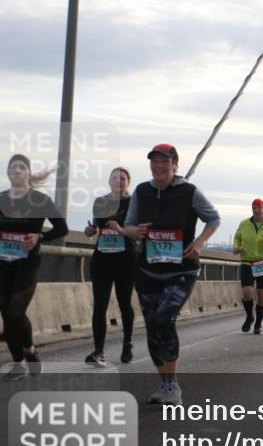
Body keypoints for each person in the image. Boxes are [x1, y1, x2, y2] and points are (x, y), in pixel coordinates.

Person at [124, 144, 220, 406]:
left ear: (175, 165)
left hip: (181, 270)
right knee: (152, 326)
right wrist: (131, 232)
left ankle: (172, 384)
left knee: (165, 319)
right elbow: (128, 226)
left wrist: (199, 242)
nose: (159, 167)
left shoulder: (189, 191)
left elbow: (213, 219)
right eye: (154, 162)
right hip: (147, 269)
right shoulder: (141, 191)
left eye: (164, 162)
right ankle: (164, 382)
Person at [0, 155, 68, 379]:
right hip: (1, 264)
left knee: (15, 309)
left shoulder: (40, 200)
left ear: (28, 173)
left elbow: (62, 229)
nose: (17, 170)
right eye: (13, 167)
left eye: (21, 167)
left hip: (27, 264)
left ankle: (29, 350)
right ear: (8, 172)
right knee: (7, 313)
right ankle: (19, 363)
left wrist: (40, 236)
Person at [83, 167, 137, 366]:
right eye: (115, 178)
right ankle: (99, 351)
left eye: (122, 178)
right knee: (99, 305)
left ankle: (127, 343)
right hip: (102, 259)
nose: (118, 181)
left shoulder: (133, 203)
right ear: (109, 181)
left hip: (125, 259)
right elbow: (97, 227)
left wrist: (121, 229)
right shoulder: (101, 202)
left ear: (128, 182)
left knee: (124, 303)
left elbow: (138, 232)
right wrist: (91, 230)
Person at [233, 198, 263, 334]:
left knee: (261, 296)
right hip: (247, 262)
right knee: (247, 293)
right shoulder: (244, 223)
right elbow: (237, 237)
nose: (256, 211)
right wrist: (236, 247)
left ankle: (258, 324)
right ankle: (249, 317)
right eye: (254, 208)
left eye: (259, 208)